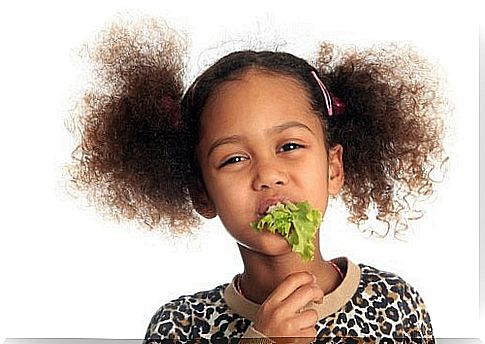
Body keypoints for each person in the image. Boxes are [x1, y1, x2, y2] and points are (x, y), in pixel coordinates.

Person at [67, 19, 446, 343]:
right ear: (202, 193)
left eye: (290, 145)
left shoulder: (394, 304)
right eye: (234, 158)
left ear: (333, 169)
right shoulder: (179, 326)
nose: (267, 175)